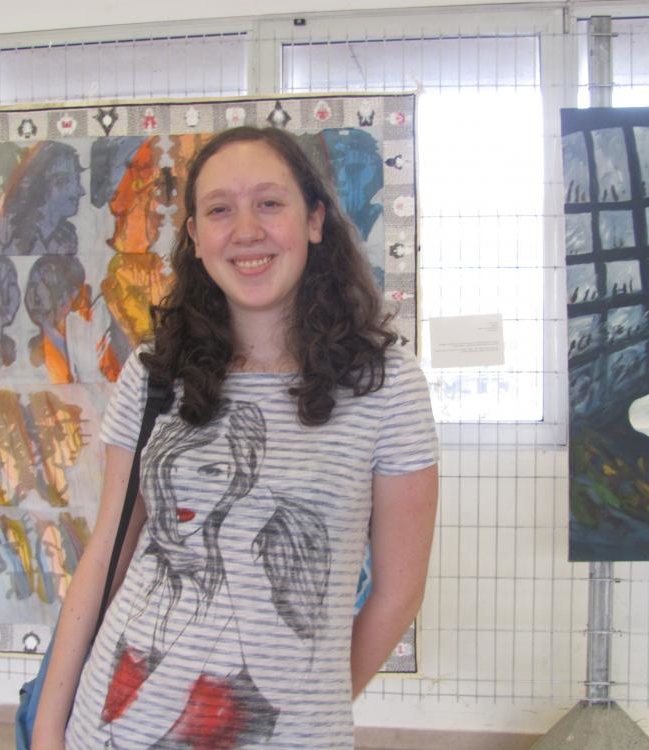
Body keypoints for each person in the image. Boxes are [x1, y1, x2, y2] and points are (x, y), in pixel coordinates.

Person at [32, 125, 438, 750]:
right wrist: (47, 727)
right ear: (196, 237)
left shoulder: (385, 386)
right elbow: (105, 556)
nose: (246, 231)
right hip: (110, 727)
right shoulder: (153, 375)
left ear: (314, 220)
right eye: (220, 210)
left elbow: (397, 593)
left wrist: (306, 703)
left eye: (269, 203)